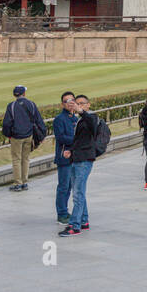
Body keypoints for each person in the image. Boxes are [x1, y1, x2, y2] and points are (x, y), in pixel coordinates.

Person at [59, 95, 98, 237]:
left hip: (84, 160)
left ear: (88, 105)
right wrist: (70, 150)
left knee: (77, 194)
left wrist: (80, 111)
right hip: (77, 158)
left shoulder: (91, 117)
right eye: (77, 103)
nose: (79, 105)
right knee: (79, 192)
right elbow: (80, 139)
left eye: (82, 104)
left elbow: (93, 124)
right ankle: (83, 221)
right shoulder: (80, 120)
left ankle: (74, 226)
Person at [1, 85, 45, 192]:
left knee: (16, 159)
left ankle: (18, 183)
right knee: (25, 159)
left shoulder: (11, 106)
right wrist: (42, 134)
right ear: (24, 94)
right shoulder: (31, 104)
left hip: (16, 136)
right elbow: (38, 120)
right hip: (28, 135)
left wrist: (8, 135)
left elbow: (7, 123)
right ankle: (24, 182)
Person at [52, 91, 76, 224]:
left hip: (74, 157)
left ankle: (65, 211)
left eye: (72, 100)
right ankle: (61, 213)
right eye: (67, 101)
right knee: (63, 186)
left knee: (70, 186)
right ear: (62, 104)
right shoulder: (59, 119)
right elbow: (61, 137)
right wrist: (77, 140)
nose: (70, 103)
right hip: (64, 157)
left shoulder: (75, 118)